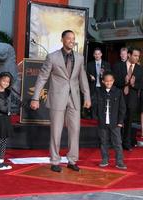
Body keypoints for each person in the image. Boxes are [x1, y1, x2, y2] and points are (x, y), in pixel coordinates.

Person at [30, 30, 91, 172]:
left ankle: (72, 160)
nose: (71, 40)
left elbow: (82, 78)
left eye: (73, 38)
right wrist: (35, 97)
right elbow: (42, 77)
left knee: (75, 130)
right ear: (62, 39)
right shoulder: (52, 57)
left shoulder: (79, 58)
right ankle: (55, 161)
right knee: (56, 131)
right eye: (68, 38)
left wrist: (86, 96)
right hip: (57, 98)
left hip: (74, 98)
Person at [93, 71, 127, 170]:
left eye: (110, 81)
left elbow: (122, 108)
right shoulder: (99, 92)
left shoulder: (118, 92)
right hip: (102, 122)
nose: (108, 83)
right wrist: (96, 117)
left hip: (115, 123)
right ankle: (104, 159)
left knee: (117, 142)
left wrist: (120, 121)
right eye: (106, 81)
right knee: (104, 142)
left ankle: (119, 161)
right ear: (103, 81)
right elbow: (94, 105)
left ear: (113, 81)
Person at [113, 47, 143, 150]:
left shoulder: (140, 69)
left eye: (138, 56)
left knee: (129, 121)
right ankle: (117, 142)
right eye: (135, 55)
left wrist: (134, 84)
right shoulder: (118, 66)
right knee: (118, 120)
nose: (137, 58)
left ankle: (126, 143)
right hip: (120, 97)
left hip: (132, 99)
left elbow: (141, 85)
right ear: (129, 55)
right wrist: (124, 81)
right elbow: (114, 82)